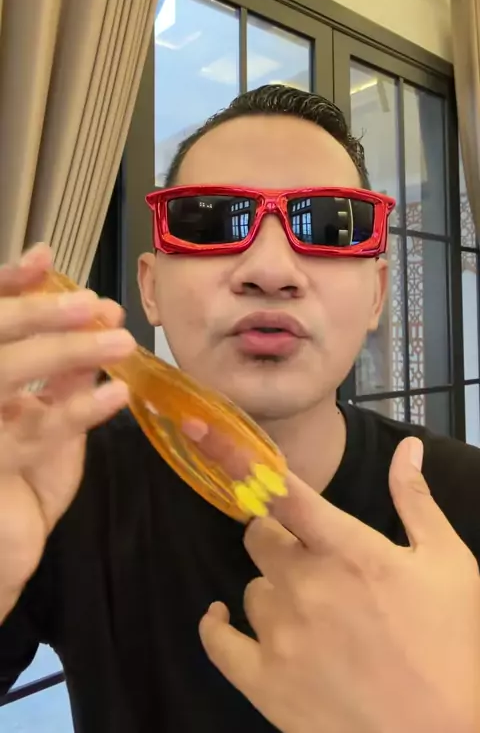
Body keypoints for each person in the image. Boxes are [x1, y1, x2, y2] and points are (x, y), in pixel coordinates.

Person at [1, 85, 480, 733]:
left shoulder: (466, 501)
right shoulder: (60, 489)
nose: (271, 270)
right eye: (209, 223)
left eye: (330, 225)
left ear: (377, 294)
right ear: (150, 289)